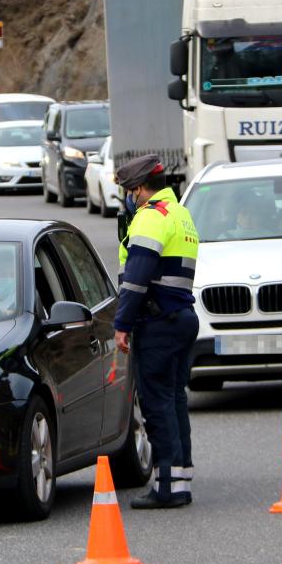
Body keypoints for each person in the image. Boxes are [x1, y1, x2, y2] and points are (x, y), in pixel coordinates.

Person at [114, 154, 200, 509]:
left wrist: (121, 323)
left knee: (156, 401)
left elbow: (136, 279)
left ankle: (167, 486)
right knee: (174, 399)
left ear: (138, 190)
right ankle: (180, 479)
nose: (129, 199)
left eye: (129, 192)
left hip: (158, 322)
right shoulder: (180, 214)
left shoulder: (151, 218)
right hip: (181, 317)